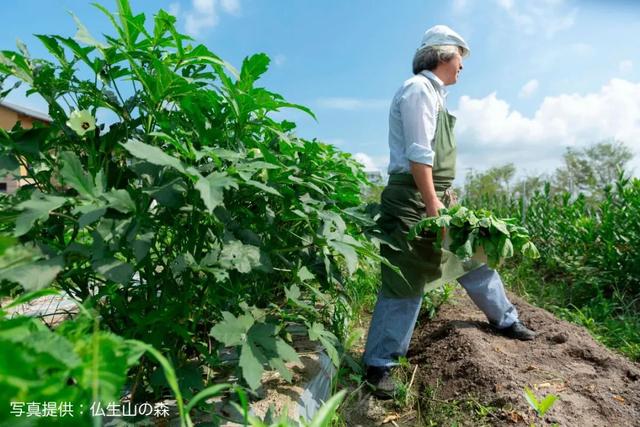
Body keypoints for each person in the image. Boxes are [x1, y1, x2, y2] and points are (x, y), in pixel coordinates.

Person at [363, 25, 536, 399]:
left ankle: (507, 320)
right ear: (443, 55)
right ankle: (380, 364)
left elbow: (436, 159)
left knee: (473, 256)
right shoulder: (418, 91)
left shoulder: (437, 97)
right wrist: (430, 202)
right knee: (406, 277)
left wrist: (445, 195)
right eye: (460, 57)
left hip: (434, 195)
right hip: (411, 199)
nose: (462, 66)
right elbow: (418, 152)